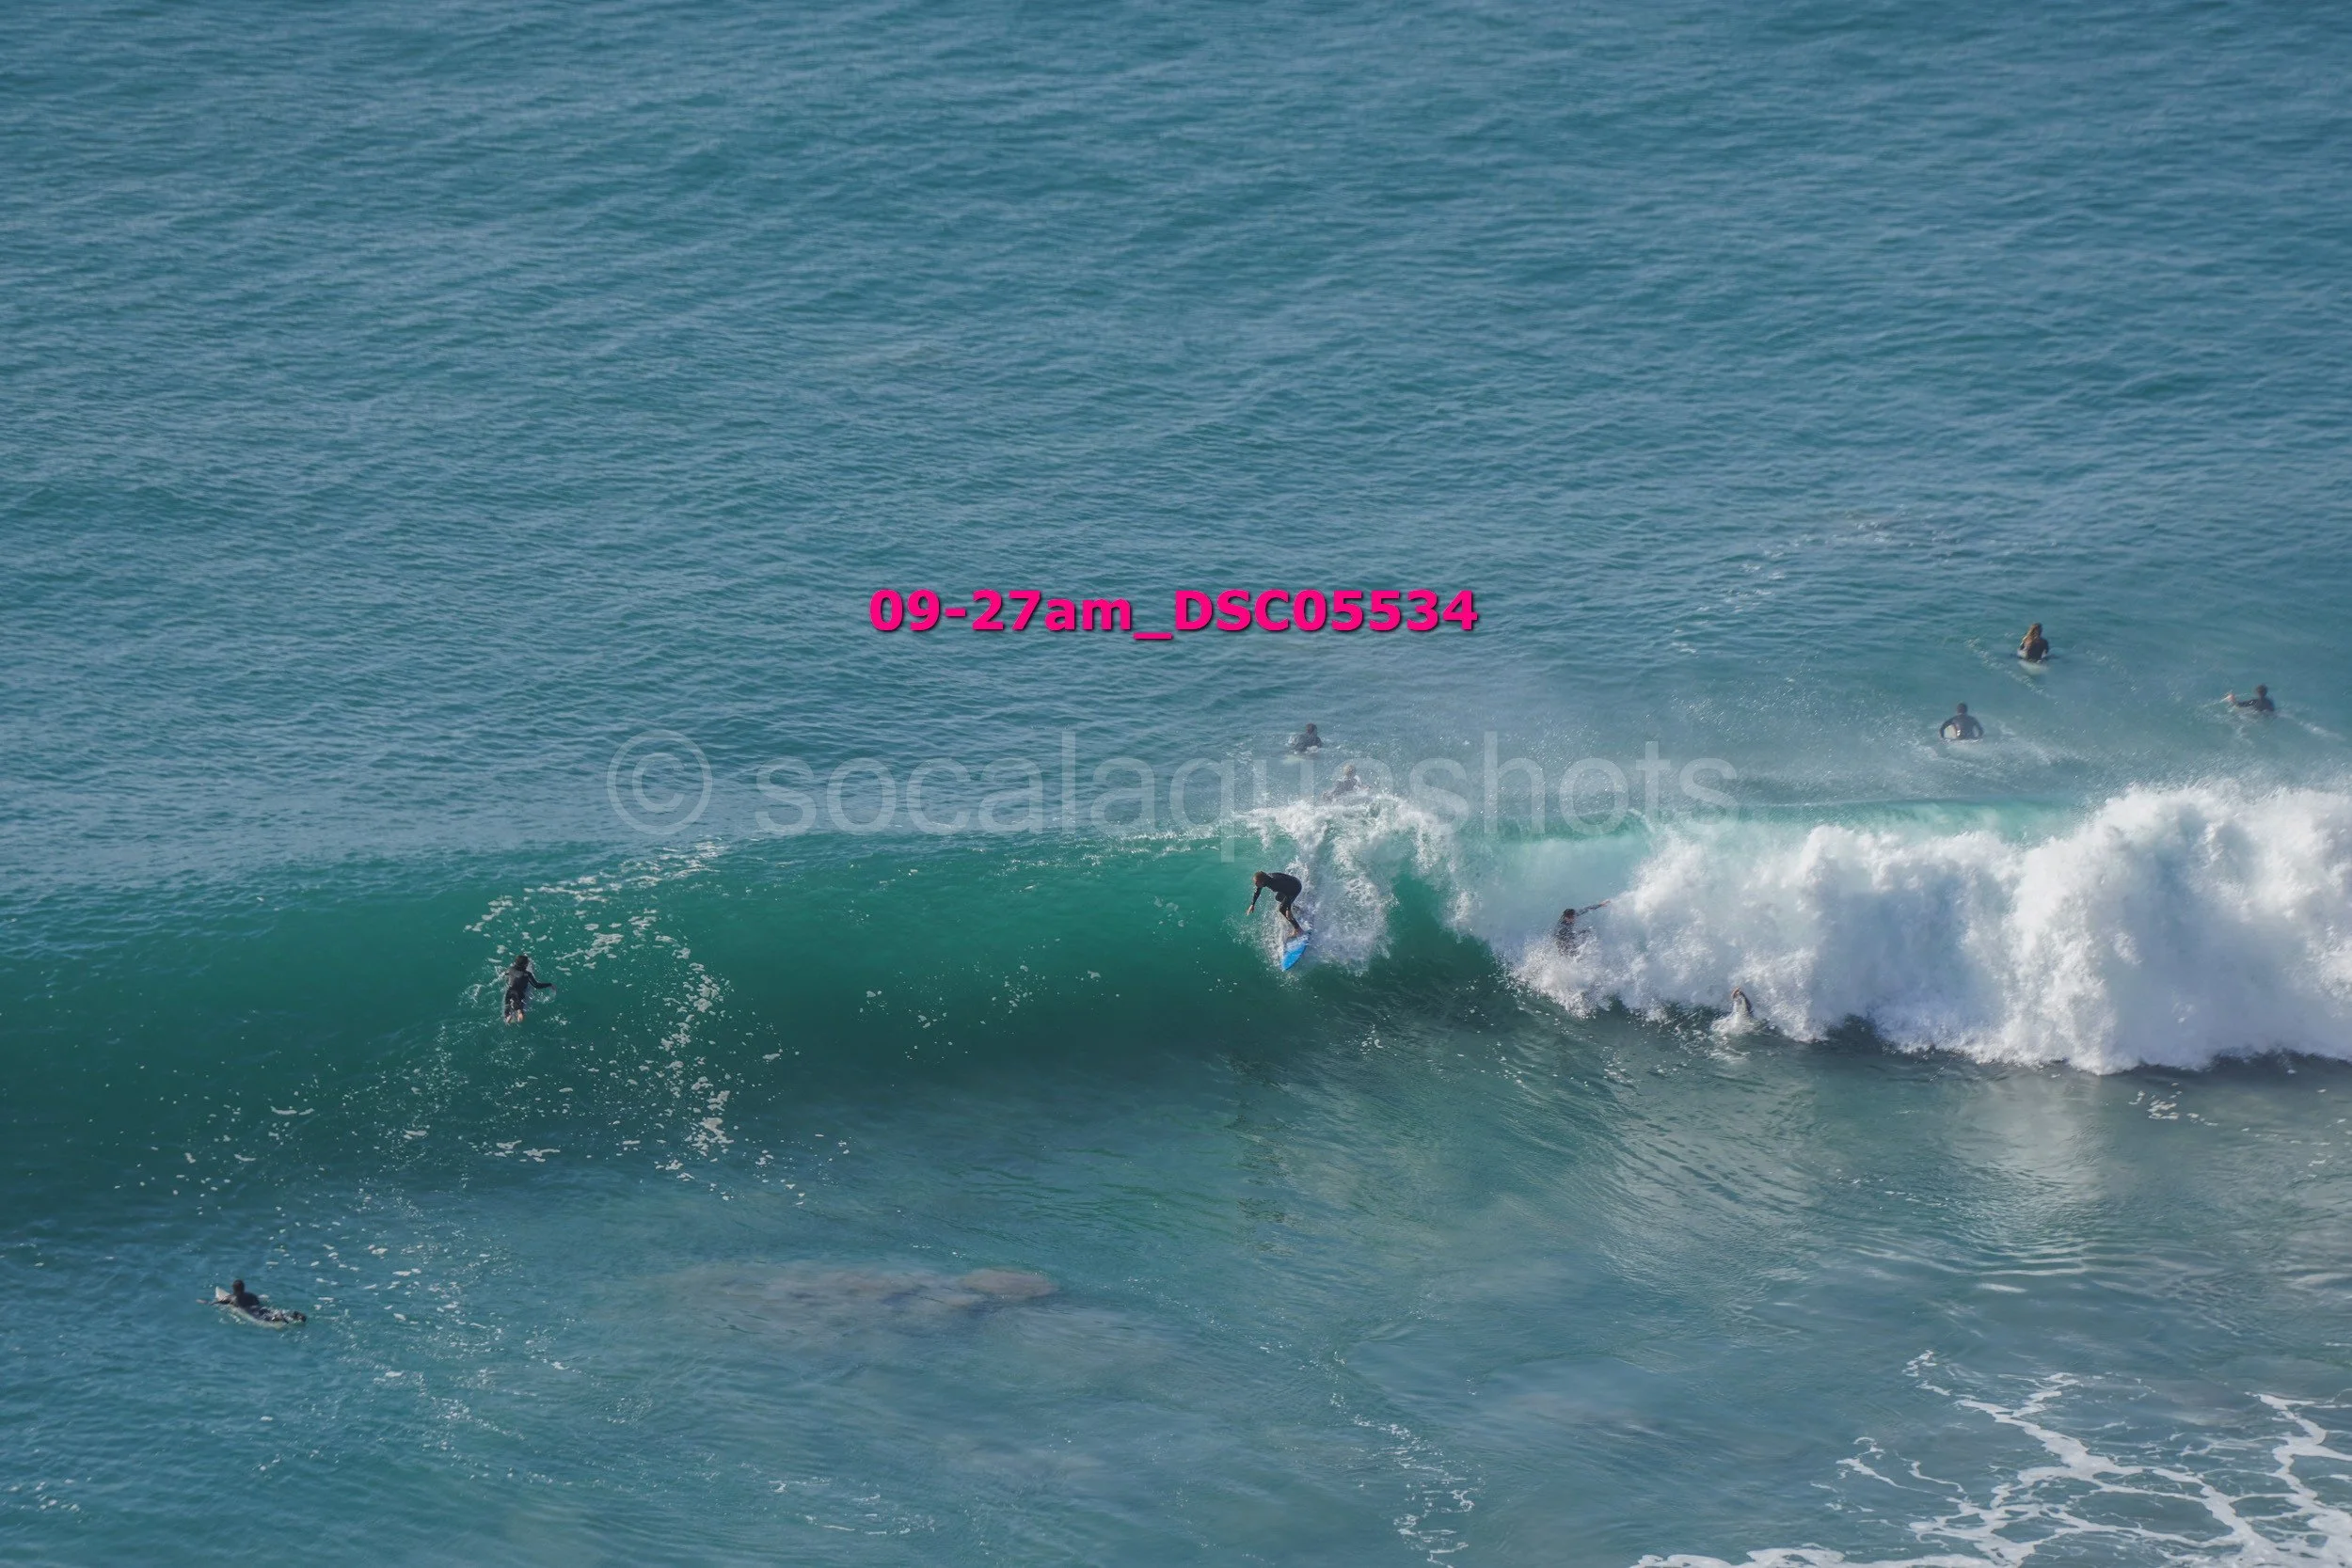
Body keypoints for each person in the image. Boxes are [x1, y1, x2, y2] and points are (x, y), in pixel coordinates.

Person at [1248, 870, 1305, 937]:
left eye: (1256, 883)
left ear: (1262, 882)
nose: (1255, 884)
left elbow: (1288, 892)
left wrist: (1288, 909)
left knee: (1282, 909)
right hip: (1291, 883)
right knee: (1278, 898)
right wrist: (1253, 904)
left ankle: (1298, 930)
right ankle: (1296, 908)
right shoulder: (1266, 879)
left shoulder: (1274, 884)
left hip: (1295, 888)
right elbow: (1258, 891)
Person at [502, 953, 553, 1022]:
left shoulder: (510, 969)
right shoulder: (526, 974)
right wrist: (549, 984)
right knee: (519, 1007)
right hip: (519, 993)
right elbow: (536, 986)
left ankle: (508, 1016)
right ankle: (520, 1013)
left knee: (507, 1006)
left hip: (509, 991)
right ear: (525, 965)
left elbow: (505, 974)